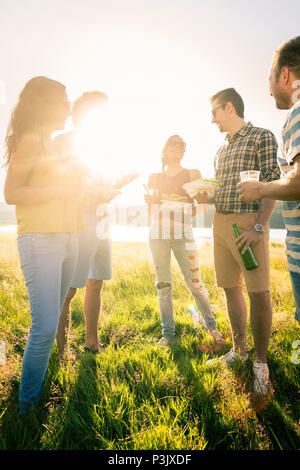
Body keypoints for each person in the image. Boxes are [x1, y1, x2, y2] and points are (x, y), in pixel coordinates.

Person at [3, 76, 87, 415]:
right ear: (45, 103)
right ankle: (26, 407)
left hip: (69, 237)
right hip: (41, 240)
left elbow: (65, 189)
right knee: (45, 326)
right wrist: (60, 191)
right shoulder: (30, 141)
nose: (69, 107)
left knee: (53, 319)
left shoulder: (55, 144)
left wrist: (93, 192)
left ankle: (34, 393)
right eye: (64, 100)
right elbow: (11, 193)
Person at [196, 88, 281, 395]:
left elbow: (272, 181)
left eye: (214, 112)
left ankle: (260, 363)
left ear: (229, 107)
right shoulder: (220, 150)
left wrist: (259, 226)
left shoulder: (262, 136)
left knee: (259, 292)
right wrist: (207, 194)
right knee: (230, 289)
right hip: (220, 224)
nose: (212, 119)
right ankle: (239, 350)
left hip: (248, 225)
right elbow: (222, 189)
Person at [56, 91, 138, 357]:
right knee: (68, 288)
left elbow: (103, 183)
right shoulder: (64, 142)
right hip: (76, 220)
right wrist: (88, 194)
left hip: (101, 219)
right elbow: (57, 184)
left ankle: (92, 341)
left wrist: (120, 182)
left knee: (95, 281)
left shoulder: (105, 145)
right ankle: (60, 350)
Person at [237, 36, 300, 324]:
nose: (269, 88)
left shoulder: (296, 115)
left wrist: (260, 188)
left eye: (270, 76)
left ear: (285, 74)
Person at [145, 134, 224, 348]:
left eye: (181, 145)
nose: (178, 147)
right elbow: (152, 211)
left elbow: (200, 207)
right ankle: (168, 334)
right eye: (173, 143)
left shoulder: (193, 174)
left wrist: (184, 209)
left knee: (196, 285)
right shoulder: (154, 177)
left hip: (184, 234)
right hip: (159, 234)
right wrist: (151, 204)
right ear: (165, 150)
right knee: (163, 286)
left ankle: (212, 328)